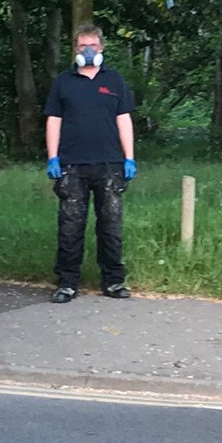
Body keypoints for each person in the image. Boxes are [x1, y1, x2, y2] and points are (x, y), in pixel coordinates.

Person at [44, 23, 137, 304]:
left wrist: (129, 157)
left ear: (101, 48)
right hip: (72, 166)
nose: (87, 50)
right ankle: (67, 283)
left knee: (111, 226)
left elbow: (124, 121)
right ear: (75, 49)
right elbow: (53, 120)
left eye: (92, 46)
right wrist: (53, 157)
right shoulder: (63, 82)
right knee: (70, 227)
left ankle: (113, 281)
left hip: (110, 165)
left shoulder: (115, 80)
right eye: (82, 45)